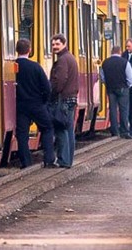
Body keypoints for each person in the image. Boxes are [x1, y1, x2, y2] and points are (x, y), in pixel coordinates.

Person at [14, 39, 57, 169]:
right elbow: (47, 87)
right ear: (29, 50)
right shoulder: (35, 66)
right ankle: (49, 159)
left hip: (21, 105)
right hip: (37, 104)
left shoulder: (13, 66)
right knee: (47, 128)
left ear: (17, 50)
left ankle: (25, 163)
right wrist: (44, 101)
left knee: (22, 134)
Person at [49, 34, 79, 168]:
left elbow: (60, 80)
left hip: (63, 98)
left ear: (64, 44)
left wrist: (54, 93)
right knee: (69, 128)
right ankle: (68, 159)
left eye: (57, 44)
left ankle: (64, 160)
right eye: (53, 44)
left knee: (61, 128)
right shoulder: (70, 57)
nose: (55, 47)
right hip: (71, 97)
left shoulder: (62, 60)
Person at [100, 46, 132, 138]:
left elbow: (102, 78)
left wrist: (107, 84)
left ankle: (114, 131)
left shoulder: (105, 63)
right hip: (123, 88)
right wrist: (127, 86)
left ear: (111, 52)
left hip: (110, 89)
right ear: (120, 52)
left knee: (113, 110)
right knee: (124, 110)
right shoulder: (125, 62)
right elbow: (130, 78)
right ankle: (124, 131)